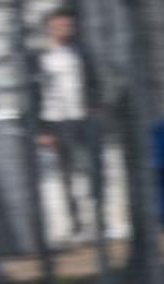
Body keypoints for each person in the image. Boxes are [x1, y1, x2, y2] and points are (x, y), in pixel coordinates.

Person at [34, 8, 97, 243]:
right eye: (61, 25)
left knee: (88, 172)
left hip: (81, 119)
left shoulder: (80, 52)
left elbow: (93, 82)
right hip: (56, 122)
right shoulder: (42, 56)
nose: (65, 29)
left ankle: (92, 223)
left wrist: (94, 110)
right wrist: (42, 130)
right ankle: (76, 226)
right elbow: (35, 95)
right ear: (51, 27)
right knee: (65, 177)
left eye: (68, 25)